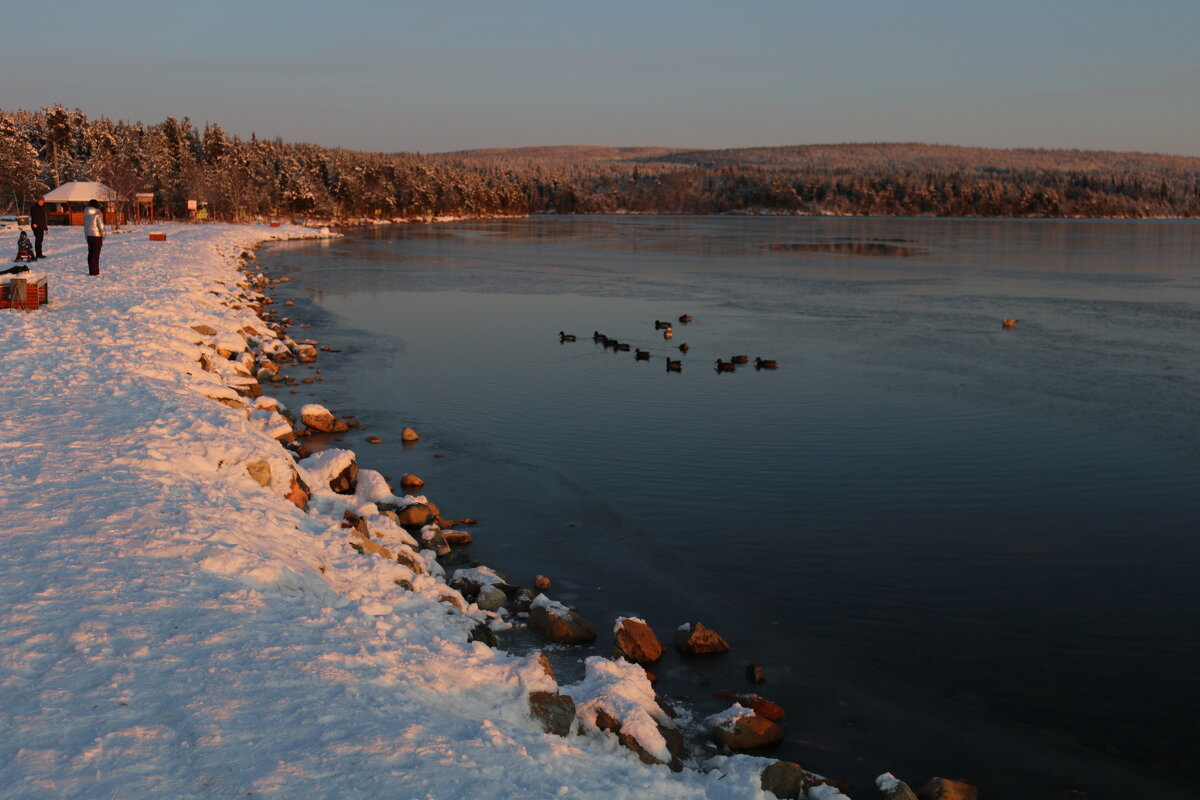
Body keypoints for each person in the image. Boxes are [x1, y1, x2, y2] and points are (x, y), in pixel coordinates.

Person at [83, 199, 104, 276]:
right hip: (97, 236)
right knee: (96, 254)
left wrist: (86, 235)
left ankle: (91, 270)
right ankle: (95, 272)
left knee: (91, 253)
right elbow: (100, 226)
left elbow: (85, 227)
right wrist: (103, 234)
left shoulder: (86, 215)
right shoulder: (97, 215)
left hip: (89, 236)